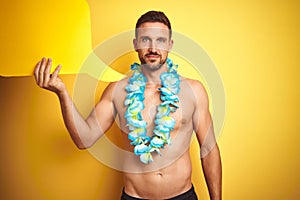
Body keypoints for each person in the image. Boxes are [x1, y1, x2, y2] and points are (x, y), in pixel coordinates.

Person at [34, 11, 222, 200]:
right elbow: (84, 139)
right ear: (135, 44)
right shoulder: (117, 91)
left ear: (170, 45)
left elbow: (209, 150)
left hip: (182, 196)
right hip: (134, 197)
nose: (153, 48)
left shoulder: (194, 91)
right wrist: (62, 93)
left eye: (160, 40)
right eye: (145, 39)